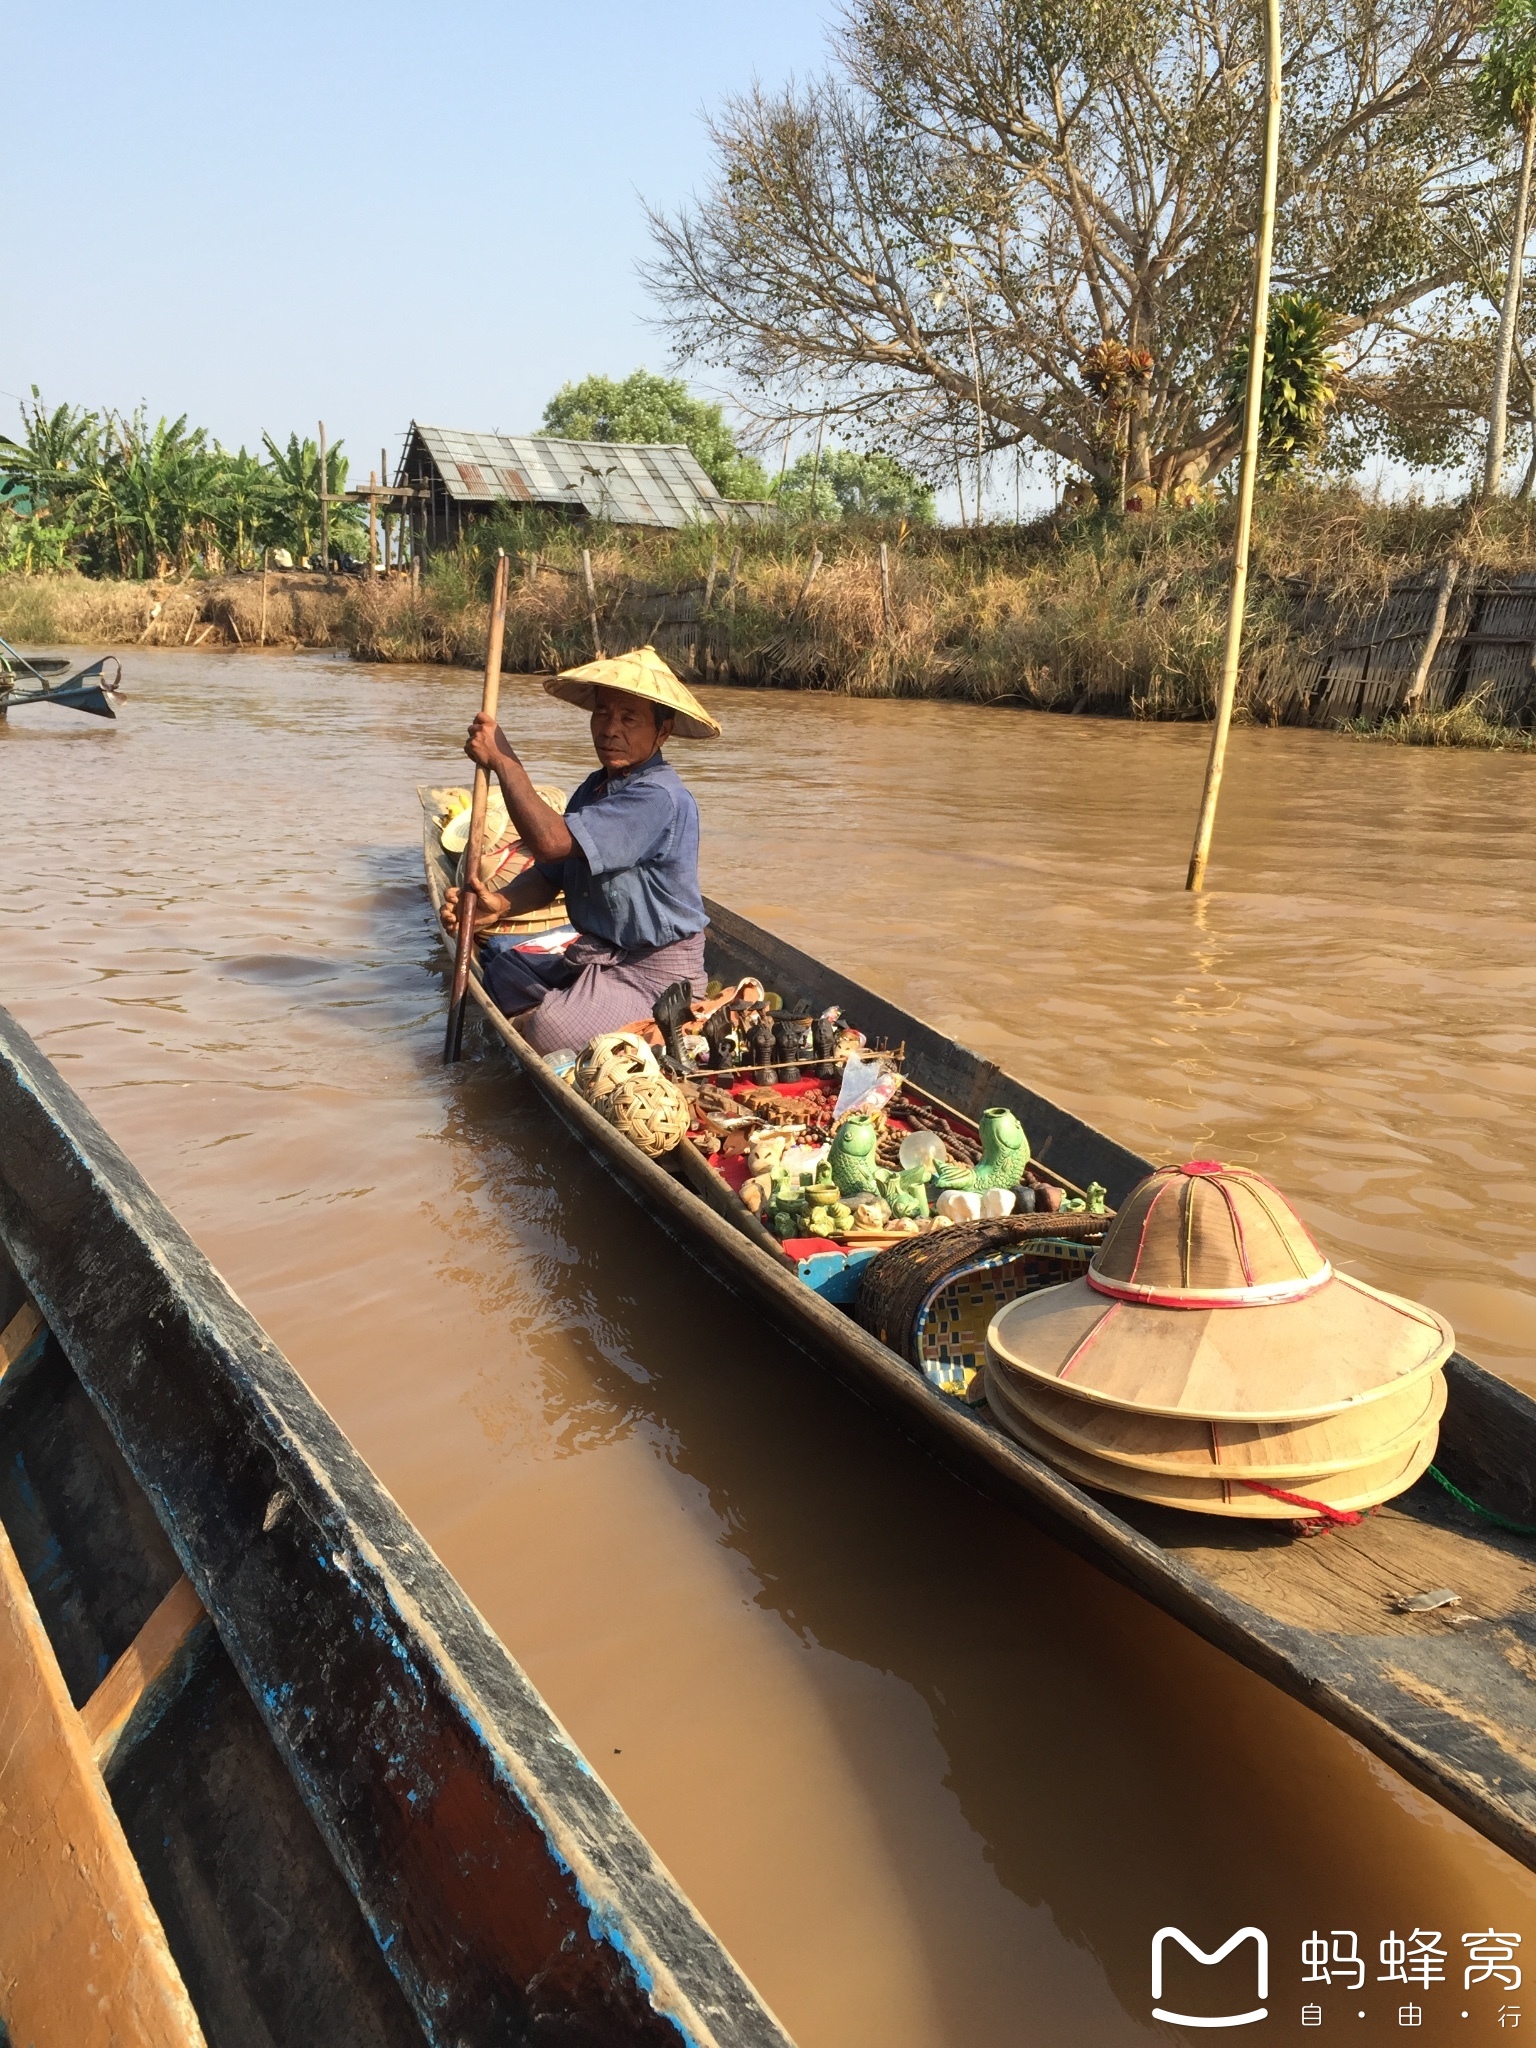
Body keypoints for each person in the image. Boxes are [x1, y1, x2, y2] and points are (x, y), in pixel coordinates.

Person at [442, 645, 719, 1054]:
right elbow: (551, 875)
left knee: (550, 1031)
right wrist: (497, 905)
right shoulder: (595, 788)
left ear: (662, 732)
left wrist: (504, 761)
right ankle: (582, 1014)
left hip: (654, 974)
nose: (610, 729)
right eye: (603, 713)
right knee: (503, 970)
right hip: (603, 953)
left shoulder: (658, 797)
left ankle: (625, 1023)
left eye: (629, 719)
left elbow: (552, 844)